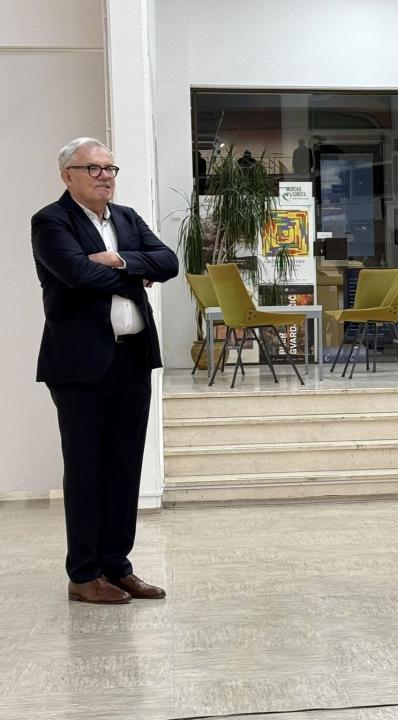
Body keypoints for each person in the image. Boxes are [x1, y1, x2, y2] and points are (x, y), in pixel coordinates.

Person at [31, 138, 179, 603]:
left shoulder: (128, 218)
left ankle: (117, 566)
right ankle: (83, 574)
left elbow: (169, 262)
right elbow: (78, 276)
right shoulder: (52, 221)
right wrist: (137, 274)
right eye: (92, 168)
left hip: (132, 359)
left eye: (110, 168)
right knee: (86, 469)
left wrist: (118, 260)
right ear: (67, 175)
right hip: (80, 365)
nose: (105, 176)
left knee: (123, 466)